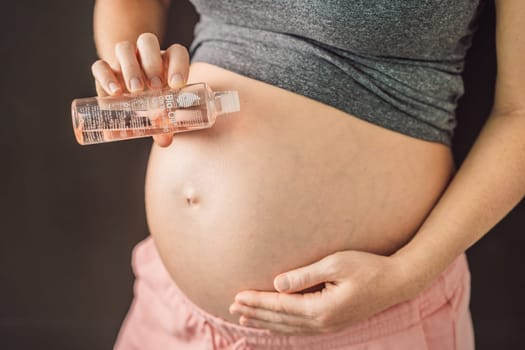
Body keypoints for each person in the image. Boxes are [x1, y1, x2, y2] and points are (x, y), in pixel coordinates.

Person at [90, 0, 525, 349]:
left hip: (370, 324)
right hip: (174, 316)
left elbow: (519, 115)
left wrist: (406, 276)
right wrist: (129, 70)